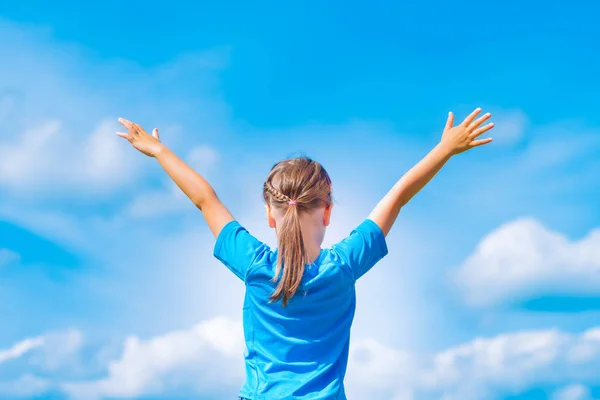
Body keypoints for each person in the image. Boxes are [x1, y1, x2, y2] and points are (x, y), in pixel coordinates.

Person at [117, 108, 494, 400]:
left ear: (269, 213)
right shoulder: (344, 266)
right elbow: (398, 196)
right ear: (327, 210)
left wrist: (159, 150)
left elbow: (205, 199)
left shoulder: (254, 264)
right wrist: (445, 147)